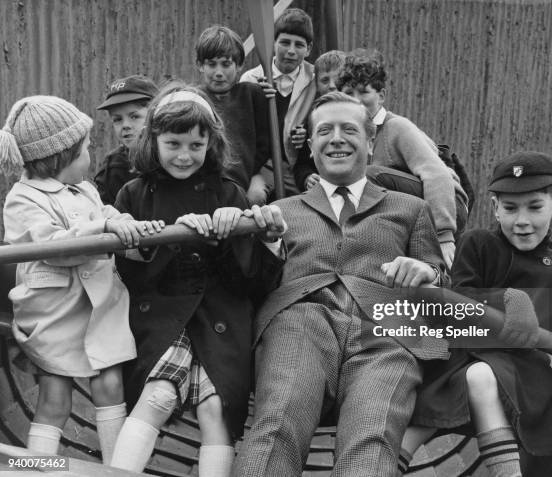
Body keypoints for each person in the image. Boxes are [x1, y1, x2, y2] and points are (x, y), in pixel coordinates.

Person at [232, 92, 449, 477]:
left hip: (386, 330)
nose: (336, 138)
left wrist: (426, 273)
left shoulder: (409, 208)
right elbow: (254, 285)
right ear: (311, 147)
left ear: (369, 143)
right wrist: (265, 242)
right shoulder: (282, 211)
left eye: (349, 130)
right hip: (301, 321)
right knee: (279, 420)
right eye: (324, 131)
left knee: (373, 434)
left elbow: (436, 274)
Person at [109, 83, 285, 477]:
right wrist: (157, 239)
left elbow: (251, 283)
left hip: (219, 314)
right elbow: (129, 277)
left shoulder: (230, 194)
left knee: (214, 408)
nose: (185, 156)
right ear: (152, 140)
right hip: (163, 315)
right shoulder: (134, 195)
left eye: (195, 145)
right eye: (173, 144)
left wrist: (232, 234)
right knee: (156, 396)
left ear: (211, 143)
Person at [404, 152, 552, 477]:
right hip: (458, 359)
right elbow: (456, 302)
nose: (522, 220)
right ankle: (386, 463)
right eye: (510, 208)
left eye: (535, 207)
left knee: (482, 376)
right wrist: (508, 298)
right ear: (495, 208)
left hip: (522, 374)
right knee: (440, 402)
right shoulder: (478, 244)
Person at [0, 95, 159, 463]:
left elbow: (105, 212)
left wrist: (123, 223)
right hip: (55, 312)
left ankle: (118, 468)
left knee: (110, 386)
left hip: (99, 307)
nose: (91, 156)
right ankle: (37, 469)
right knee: (55, 399)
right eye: (86, 148)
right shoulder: (22, 199)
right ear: (61, 157)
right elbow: (55, 247)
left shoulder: (84, 188)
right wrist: (102, 228)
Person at [337, 50, 468, 268]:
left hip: (448, 204)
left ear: (381, 96)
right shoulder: (351, 135)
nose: (356, 101)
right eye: (349, 93)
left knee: (369, 176)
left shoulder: (397, 127)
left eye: (364, 92)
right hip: (410, 205)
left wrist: (444, 236)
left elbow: (437, 175)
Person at [241, 7, 316, 197]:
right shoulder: (252, 79)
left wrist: (307, 132)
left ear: (308, 49)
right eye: (284, 42)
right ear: (273, 43)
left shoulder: (315, 80)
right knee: (254, 196)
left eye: (299, 45)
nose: (291, 51)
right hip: (262, 164)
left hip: (298, 166)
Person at [195, 25, 271, 205]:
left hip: (249, 172)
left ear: (239, 65)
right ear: (200, 66)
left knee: (256, 195)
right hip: (205, 176)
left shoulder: (253, 94)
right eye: (211, 64)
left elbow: (265, 143)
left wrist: (247, 170)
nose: (219, 73)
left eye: (226, 64)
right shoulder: (195, 99)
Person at [94, 74, 158, 204]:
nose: (125, 126)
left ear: (155, 114)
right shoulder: (112, 167)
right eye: (117, 119)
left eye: (134, 117)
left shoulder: (172, 155)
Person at [293, 49, 346, 192]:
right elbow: (301, 165)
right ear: (316, 84)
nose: (332, 85)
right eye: (324, 80)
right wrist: (307, 177)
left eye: (338, 79)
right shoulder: (313, 118)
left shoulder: (360, 115)